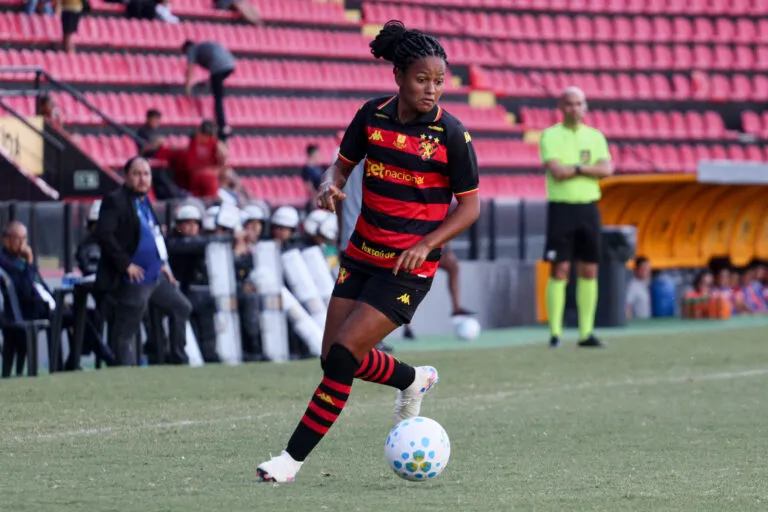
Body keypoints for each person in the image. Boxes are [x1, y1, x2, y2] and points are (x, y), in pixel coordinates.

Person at [256, 20, 480, 483]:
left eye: (439, 81)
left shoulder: (451, 135)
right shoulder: (370, 116)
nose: (432, 90)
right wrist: (327, 187)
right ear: (398, 76)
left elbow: (471, 207)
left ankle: (290, 462)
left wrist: (426, 244)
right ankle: (412, 378)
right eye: (422, 79)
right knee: (333, 359)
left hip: (405, 270)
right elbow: (338, 170)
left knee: (343, 355)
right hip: (360, 255)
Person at [95, 157, 192, 365]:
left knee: (181, 307)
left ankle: (177, 359)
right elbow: (104, 235)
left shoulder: (145, 201)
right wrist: (125, 264)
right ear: (126, 176)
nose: (142, 179)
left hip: (155, 274)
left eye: (146, 174)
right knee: (128, 329)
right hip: (134, 278)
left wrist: (163, 262)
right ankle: (125, 372)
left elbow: (154, 234)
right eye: (137, 174)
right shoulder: (115, 200)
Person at [539, 86, 613, 349]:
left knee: (590, 269)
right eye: (569, 104)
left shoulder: (595, 136)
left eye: (579, 103)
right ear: (561, 107)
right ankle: (556, 333)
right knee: (560, 269)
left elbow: (607, 169)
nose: (574, 108)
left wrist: (578, 168)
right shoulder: (550, 135)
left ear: (585, 107)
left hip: (588, 207)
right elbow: (557, 171)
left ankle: (586, 333)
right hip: (561, 208)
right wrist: (588, 170)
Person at [182, 41, 236, 140]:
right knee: (217, 87)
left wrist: (187, 87)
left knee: (218, 99)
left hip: (220, 66)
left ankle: (222, 126)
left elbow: (190, 68)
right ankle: (222, 125)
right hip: (230, 64)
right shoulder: (204, 47)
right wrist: (208, 82)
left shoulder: (193, 50)